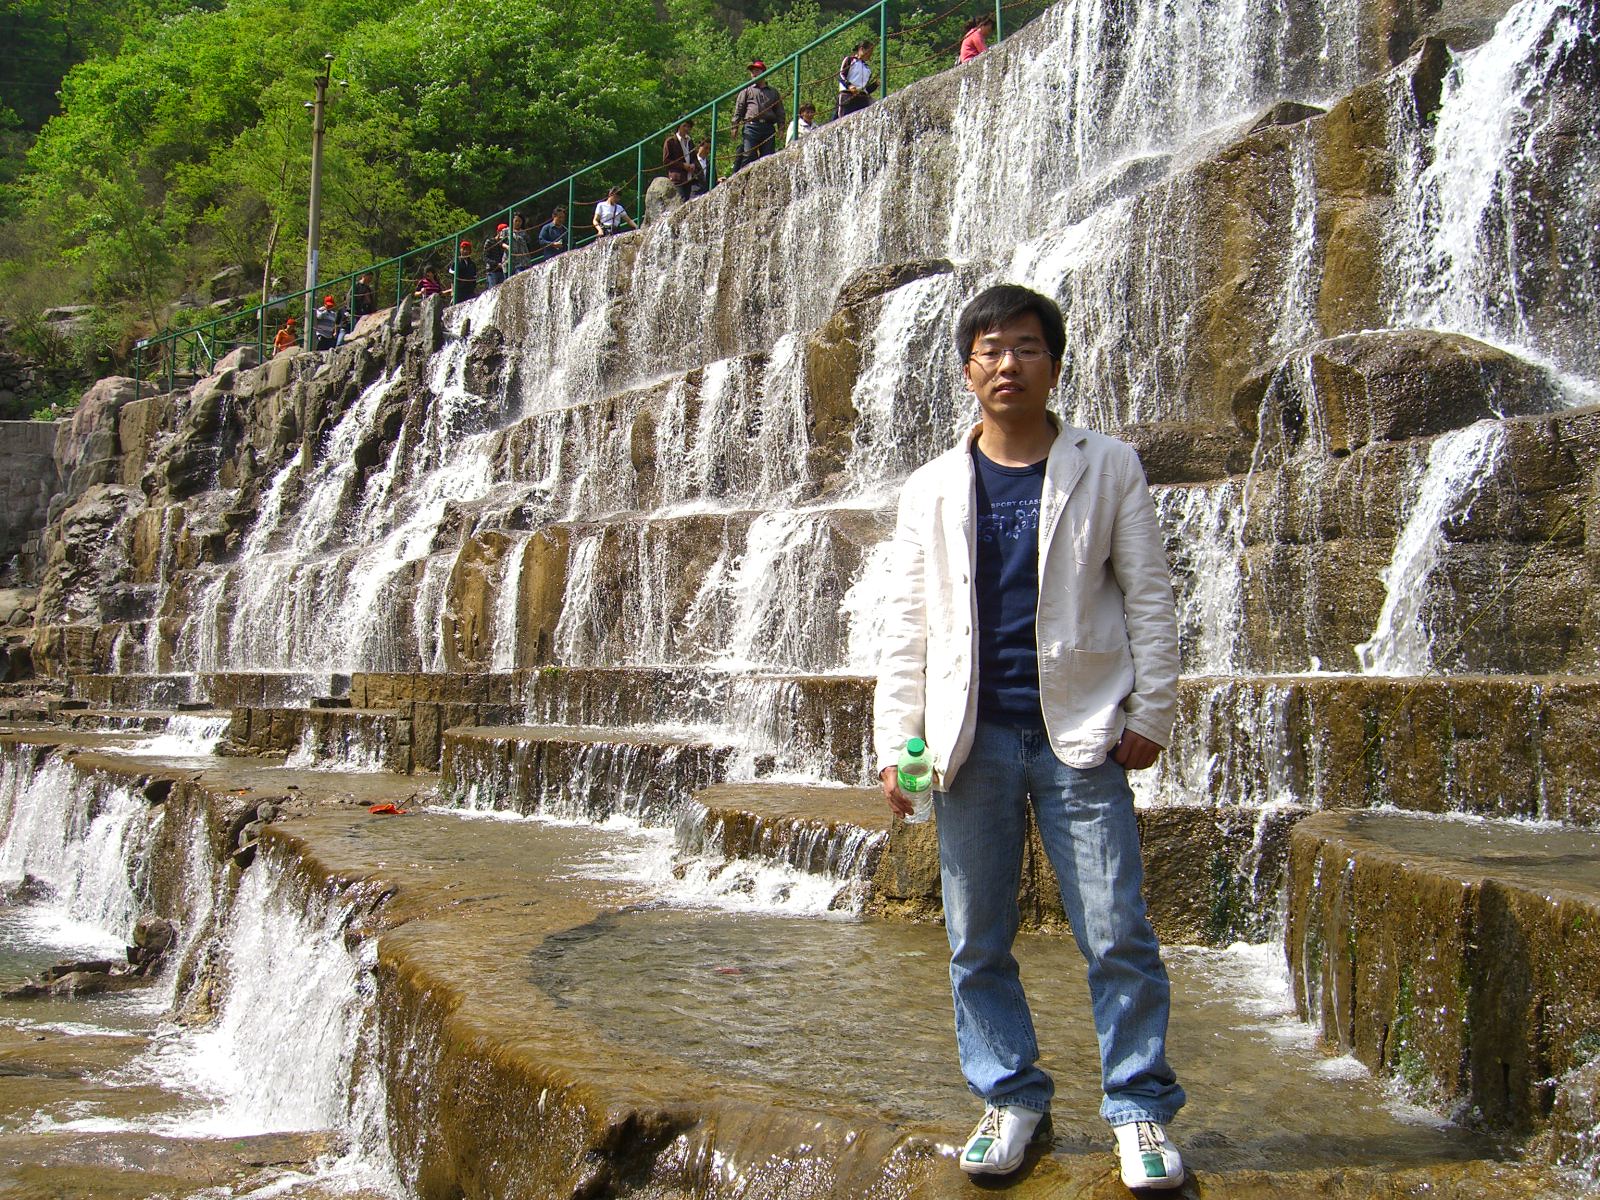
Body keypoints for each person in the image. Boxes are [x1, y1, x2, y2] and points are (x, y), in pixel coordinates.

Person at [873, 284, 1186, 1192]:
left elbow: (1149, 594)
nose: (1007, 363)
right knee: (975, 939)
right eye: (990, 350)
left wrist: (1153, 713)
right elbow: (908, 624)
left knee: (1117, 932)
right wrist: (899, 743)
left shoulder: (1109, 465)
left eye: (1026, 347)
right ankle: (1009, 1095)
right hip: (968, 741)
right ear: (968, 370)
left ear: (1054, 363)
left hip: (1079, 733)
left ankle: (1137, 1106)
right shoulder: (931, 486)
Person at [732, 60, 785, 170]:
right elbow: (739, 108)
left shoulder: (773, 92)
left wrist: (781, 127)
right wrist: (735, 126)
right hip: (751, 126)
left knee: (768, 158)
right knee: (748, 154)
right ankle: (744, 177)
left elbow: (779, 111)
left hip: (768, 127)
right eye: (752, 72)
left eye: (756, 71)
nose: (753, 74)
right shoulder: (746, 90)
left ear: (763, 73)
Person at [837, 40, 877, 119]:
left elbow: (865, 90)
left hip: (862, 99)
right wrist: (849, 86)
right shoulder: (850, 60)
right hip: (847, 95)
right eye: (869, 51)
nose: (870, 54)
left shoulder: (868, 69)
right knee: (843, 120)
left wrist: (874, 85)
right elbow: (841, 75)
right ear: (862, 49)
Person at [663, 120, 696, 202]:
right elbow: (666, 161)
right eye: (684, 126)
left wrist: (693, 165)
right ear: (678, 126)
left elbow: (694, 158)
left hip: (689, 178)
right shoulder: (670, 141)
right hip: (677, 179)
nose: (686, 128)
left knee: (687, 203)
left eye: (688, 127)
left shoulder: (690, 142)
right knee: (680, 202)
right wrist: (683, 165)